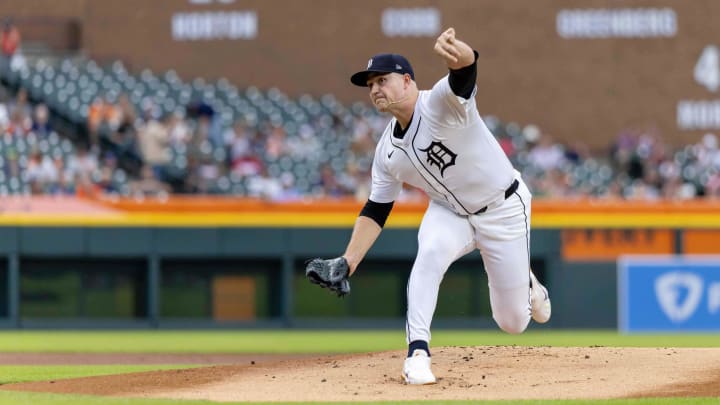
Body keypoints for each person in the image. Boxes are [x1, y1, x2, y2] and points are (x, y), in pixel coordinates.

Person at [314, 27, 552, 385]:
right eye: (370, 84)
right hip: (450, 212)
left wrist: (464, 53)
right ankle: (417, 354)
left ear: (408, 80)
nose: (376, 88)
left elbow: (464, 74)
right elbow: (377, 209)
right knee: (429, 255)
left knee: (513, 323)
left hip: (502, 208)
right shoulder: (386, 152)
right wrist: (349, 261)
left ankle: (528, 285)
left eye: (383, 79)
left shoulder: (440, 103)